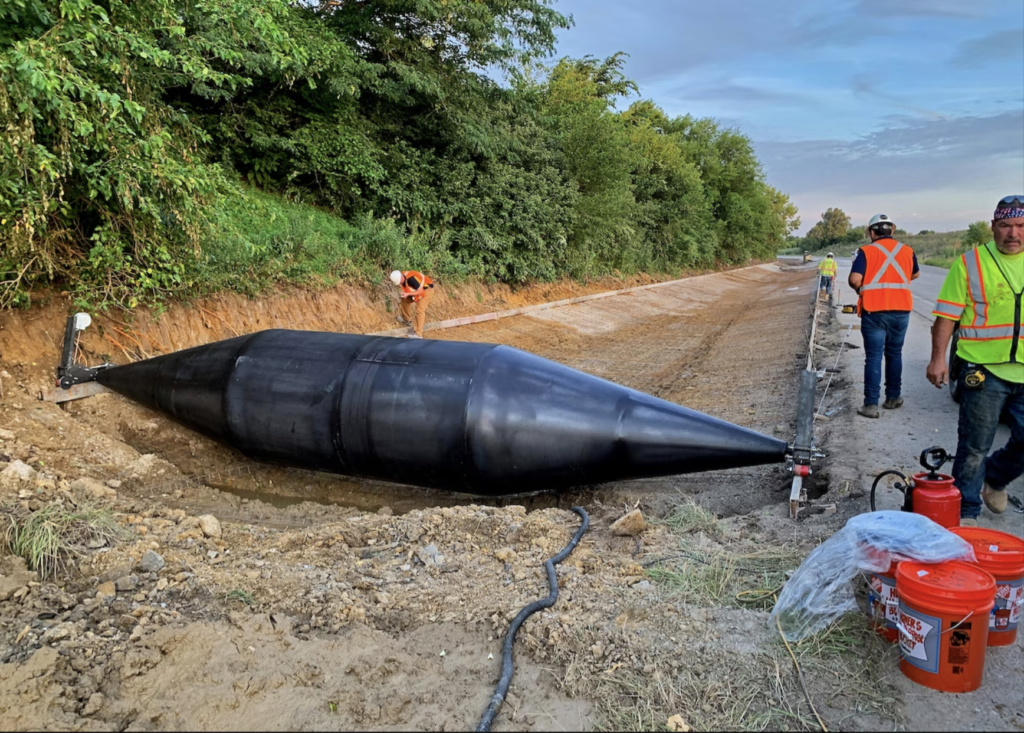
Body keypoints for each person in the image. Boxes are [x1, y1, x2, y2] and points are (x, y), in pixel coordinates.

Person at [926, 195, 1023, 526]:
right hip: (982, 370)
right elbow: (946, 317)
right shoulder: (970, 263)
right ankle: (964, 515)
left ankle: (995, 477)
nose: (1013, 233)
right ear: (993, 227)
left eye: (1021, 226)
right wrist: (938, 359)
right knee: (973, 447)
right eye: (1006, 225)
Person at [848, 213, 921, 418]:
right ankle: (893, 397)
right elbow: (915, 274)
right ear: (892, 231)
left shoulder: (866, 251)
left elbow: (855, 280)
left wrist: (862, 288)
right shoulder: (907, 251)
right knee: (894, 354)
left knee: (873, 357)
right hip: (901, 310)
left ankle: (870, 405)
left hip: (874, 311)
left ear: (872, 232)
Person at [390, 269, 435, 338]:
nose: (399, 284)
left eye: (399, 282)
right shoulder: (402, 277)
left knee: (420, 310)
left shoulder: (411, 279)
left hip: (427, 289)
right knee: (404, 299)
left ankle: (418, 334)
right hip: (419, 289)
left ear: (401, 277)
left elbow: (421, 292)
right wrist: (407, 294)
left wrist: (408, 293)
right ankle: (406, 319)